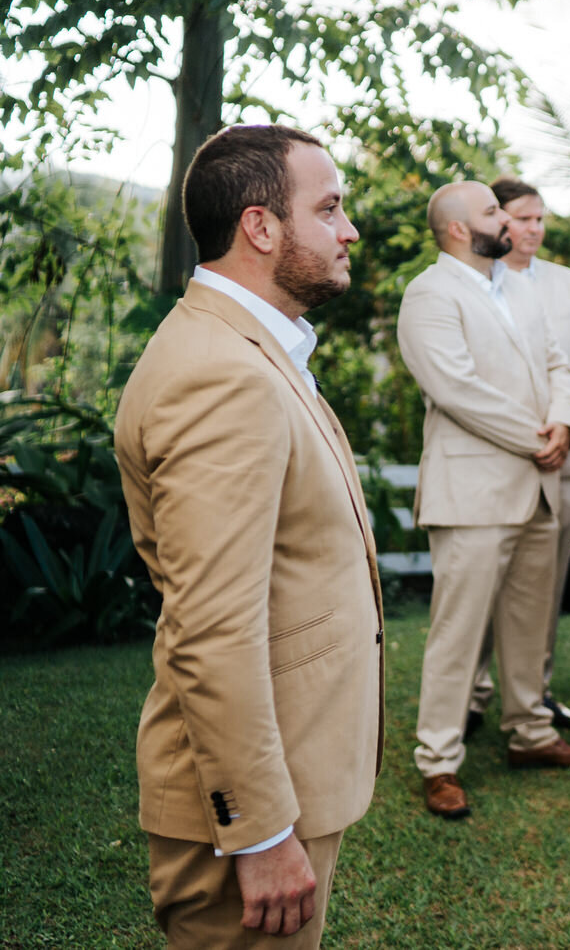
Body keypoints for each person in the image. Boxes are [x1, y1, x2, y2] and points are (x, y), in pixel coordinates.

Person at [114, 124, 383, 946]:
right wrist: (260, 830)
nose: (349, 230)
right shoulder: (220, 373)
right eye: (330, 207)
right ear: (261, 228)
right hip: (245, 817)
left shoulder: (248, 348)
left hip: (294, 769)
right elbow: (211, 629)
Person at [398, 181, 570, 822]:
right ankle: (438, 760)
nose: (506, 220)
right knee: (458, 632)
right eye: (492, 211)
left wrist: (565, 425)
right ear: (459, 228)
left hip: (538, 484)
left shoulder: (518, 288)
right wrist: (535, 437)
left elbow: (558, 362)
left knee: (528, 624)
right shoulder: (429, 294)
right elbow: (455, 388)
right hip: (474, 493)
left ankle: (531, 734)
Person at [470, 173, 570, 732]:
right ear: (497, 221)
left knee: (548, 584)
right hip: (492, 460)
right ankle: (472, 692)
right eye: (523, 218)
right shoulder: (473, 283)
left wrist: (565, 427)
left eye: (541, 219)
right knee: (482, 583)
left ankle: (536, 693)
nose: (534, 229)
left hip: (564, 457)